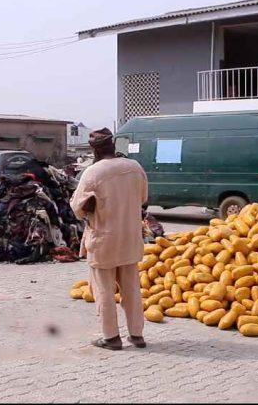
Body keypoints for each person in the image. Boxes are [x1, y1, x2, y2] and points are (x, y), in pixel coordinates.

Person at [70, 127, 148, 350]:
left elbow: (78, 208)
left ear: (94, 150)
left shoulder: (93, 173)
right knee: (131, 288)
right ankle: (137, 335)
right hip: (130, 238)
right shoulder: (135, 168)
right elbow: (143, 197)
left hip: (104, 241)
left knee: (103, 289)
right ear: (114, 145)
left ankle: (111, 338)